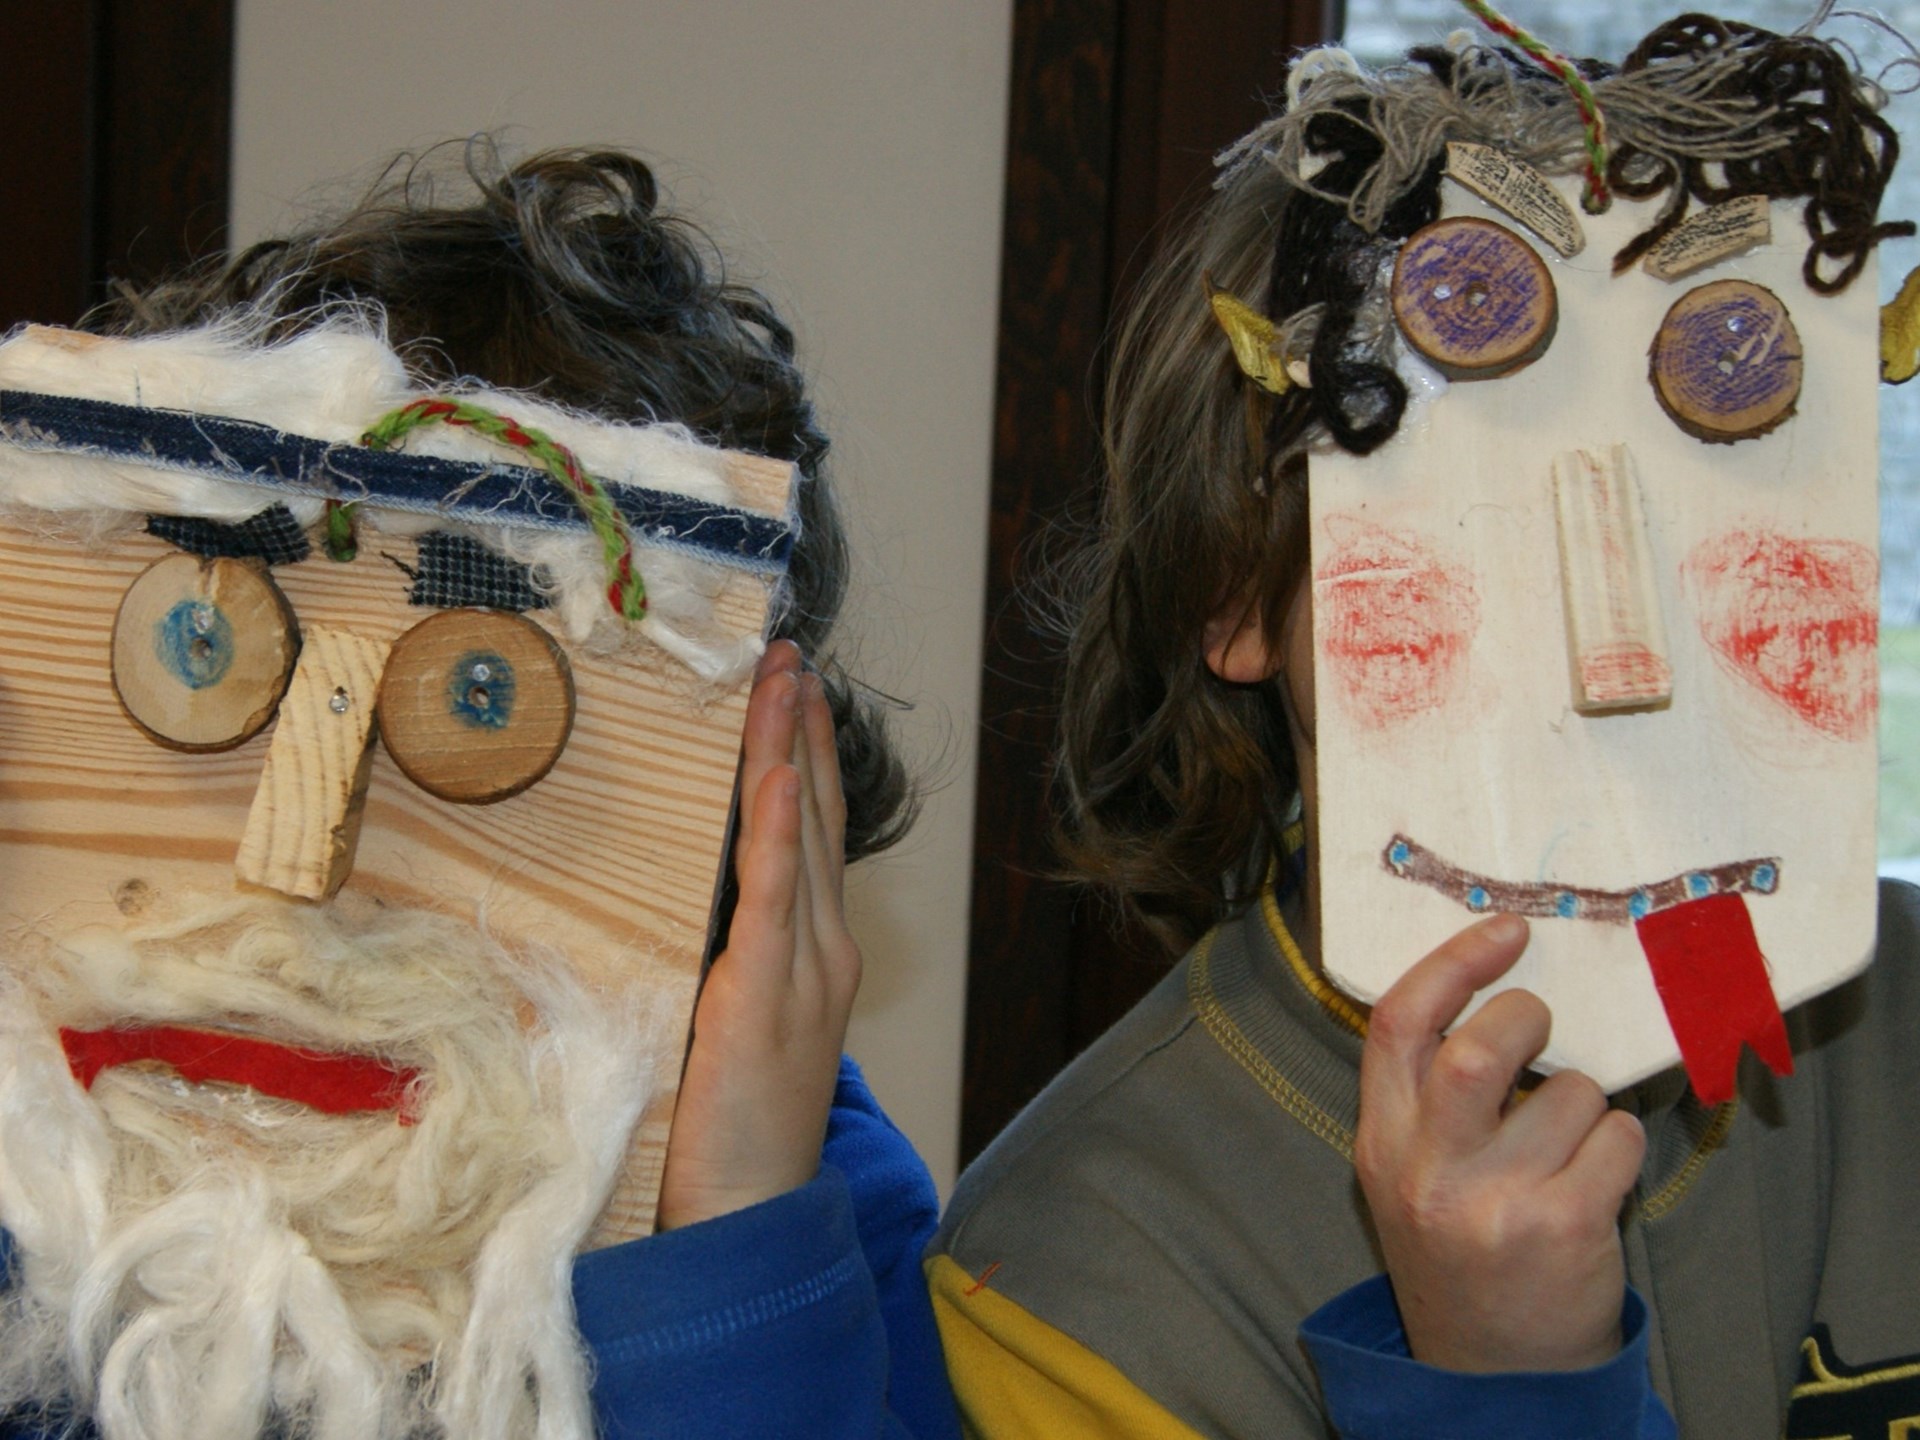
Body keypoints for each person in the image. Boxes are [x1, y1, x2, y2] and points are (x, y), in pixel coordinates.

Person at [930, 16, 1920, 1439]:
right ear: (1235, 594)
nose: (1621, 659)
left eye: (1708, 508)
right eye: (1481, 522)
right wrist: (1508, 1399)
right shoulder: (1089, 1273)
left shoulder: (1893, 1039)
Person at [0, 145, 960, 1440]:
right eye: (199, 642)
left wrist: (733, 1247)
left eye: (483, 698)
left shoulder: (810, 1223)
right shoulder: (46, 1114)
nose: (297, 860)